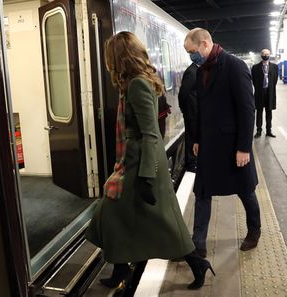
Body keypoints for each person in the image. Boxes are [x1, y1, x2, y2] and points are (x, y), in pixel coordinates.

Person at [85, 31, 214, 296]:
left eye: (110, 57)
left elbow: (150, 133)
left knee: (121, 215)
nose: (108, 63)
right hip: (132, 162)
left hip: (141, 165)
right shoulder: (133, 82)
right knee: (138, 218)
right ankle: (123, 268)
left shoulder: (137, 85)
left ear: (120, 57)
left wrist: (147, 175)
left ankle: (195, 263)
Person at [183, 28, 261, 257]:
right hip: (208, 145)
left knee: (246, 191)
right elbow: (201, 109)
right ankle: (198, 244)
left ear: (205, 44)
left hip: (232, 145)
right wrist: (196, 139)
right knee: (202, 192)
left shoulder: (235, 66)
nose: (191, 56)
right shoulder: (200, 71)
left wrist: (244, 147)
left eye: (192, 51)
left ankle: (254, 230)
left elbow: (247, 110)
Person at [251, 49, 279, 138]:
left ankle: (269, 131)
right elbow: (254, 81)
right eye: (264, 54)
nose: (265, 55)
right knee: (259, 112)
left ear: (270, 55)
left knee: (269, 113)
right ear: (261, 55)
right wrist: (260, 88)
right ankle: (259, 131)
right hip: (259, 92)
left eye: (267, 54)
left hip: (270, 93)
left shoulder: (274, 67)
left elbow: (275, 80)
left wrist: (269, 87)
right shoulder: (255, 67)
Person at [178, 62, 198, 172]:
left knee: (194, 136)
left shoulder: (196, 70)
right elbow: (183, 93)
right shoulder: (192, 71)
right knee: (191, 136)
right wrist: (183, 108)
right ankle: (191, 163)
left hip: (194, 111)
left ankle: (193, 160)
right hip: (191, 111)